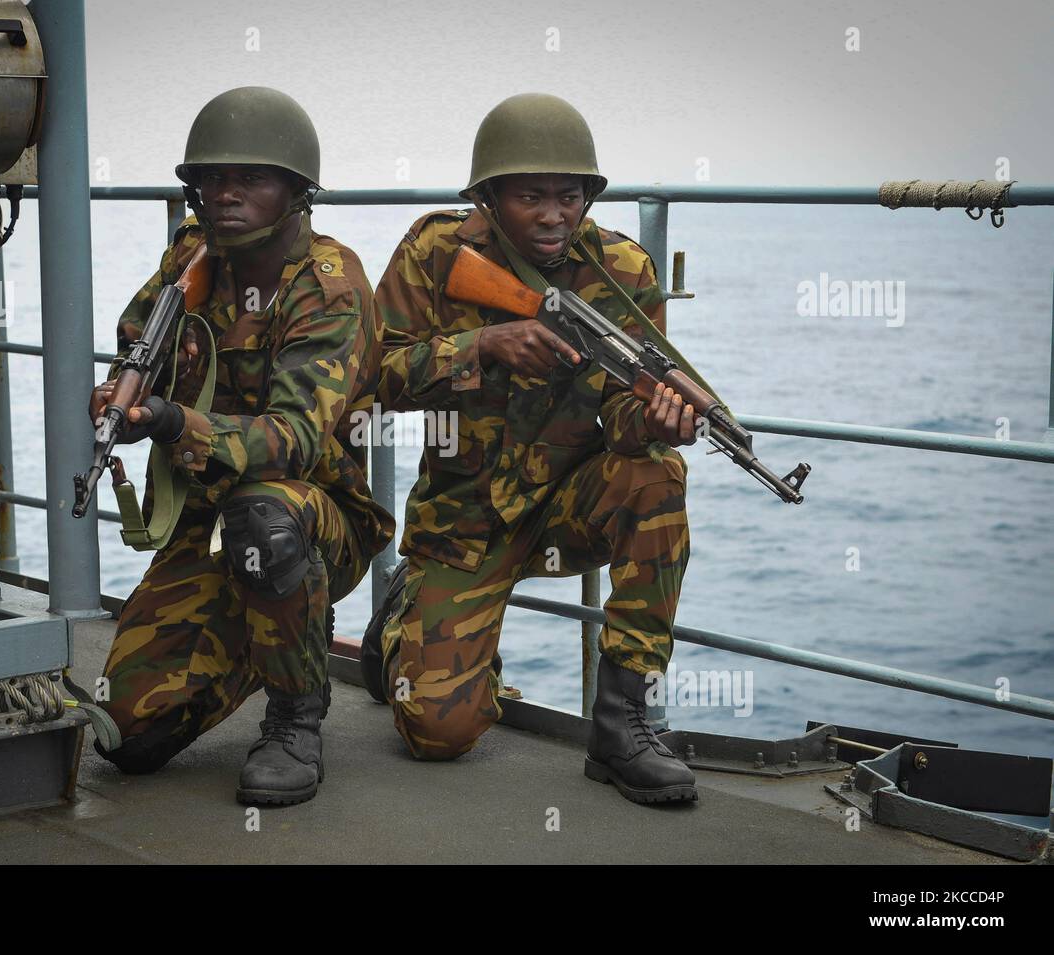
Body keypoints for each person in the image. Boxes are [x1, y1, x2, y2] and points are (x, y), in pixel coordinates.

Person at [362, 93, 699, 804]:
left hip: (566, 507)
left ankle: (622, 724)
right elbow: (374, 377)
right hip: (465, 518)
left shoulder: (620, 272)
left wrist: (659, 420)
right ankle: (401, 624)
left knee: (658, 475)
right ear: (488, 196)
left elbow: (624, 413)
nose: (554, 215)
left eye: (569, 196)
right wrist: (478, 346)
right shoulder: (436, 253)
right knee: (437, 734)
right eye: (532, 197)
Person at [89, 86, 393, 805]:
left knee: (265, 515)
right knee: (126, 738)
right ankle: (261, 638)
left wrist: (169, 422)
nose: (226, 194)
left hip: (314, 515)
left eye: (250, 179)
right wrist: (116, 396)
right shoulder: (191, 262)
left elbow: (294, 439)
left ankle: (294, 720)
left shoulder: (328, 285)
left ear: (294, 189)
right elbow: (140, 345)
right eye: (212, 179)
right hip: (208, 518)